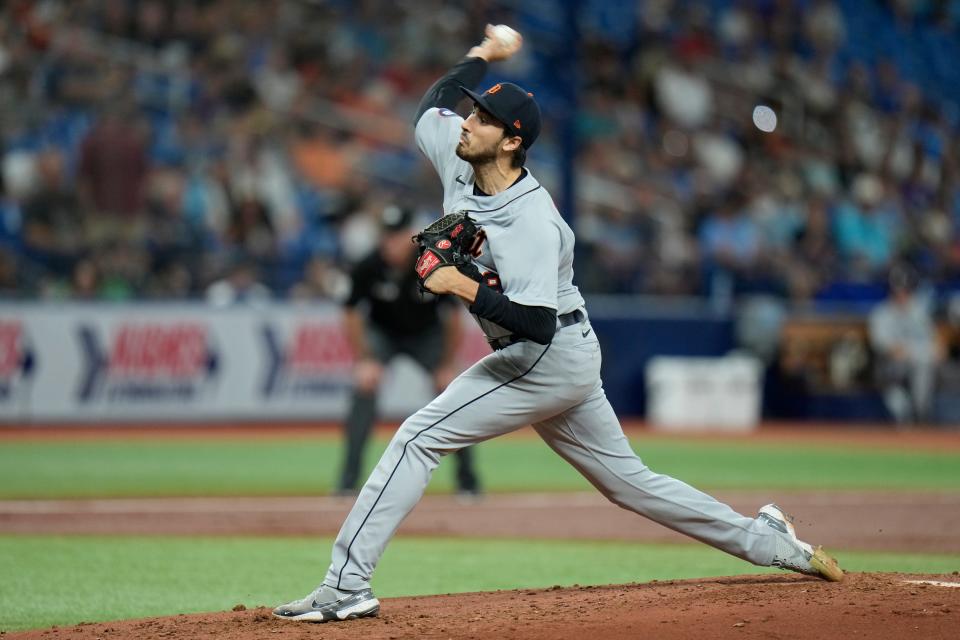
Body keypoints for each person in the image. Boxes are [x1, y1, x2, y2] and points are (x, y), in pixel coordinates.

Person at [273, 25, 843, 623]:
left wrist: (461, 283)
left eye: (483, 118)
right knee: (632, 485)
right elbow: (432, 102)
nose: (467, 122)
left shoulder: (532, 223)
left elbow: (537, 326)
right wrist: (482, 56)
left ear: (513, 140)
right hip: (561, 355)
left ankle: (345, 587)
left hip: (544, 353)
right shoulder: (459, 157)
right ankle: (773, 542)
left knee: (419, 436)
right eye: (473, 112)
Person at [335, 204, 480, 496]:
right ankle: (347, 483)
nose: (392, 243)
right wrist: (364, 359)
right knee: (365, 384)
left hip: (427, 335)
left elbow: (453, 317)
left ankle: (468, 482)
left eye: (398, 235)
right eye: (387, 236)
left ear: (412, 236)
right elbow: (351, 313)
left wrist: (447, 363)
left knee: (453, 388)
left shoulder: (433, 263)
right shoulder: (368, 265)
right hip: (383, 334)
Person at [868, 264, 942, 424]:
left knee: (923, 365)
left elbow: (936, 343)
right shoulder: (881, 314)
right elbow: (885, 348)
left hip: (918, 363)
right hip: (889, 368)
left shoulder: (919, 311)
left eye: (906, 290)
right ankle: (918, 416)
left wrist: (932, 350)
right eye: (898, 290)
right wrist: (910, 352)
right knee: (917, 366)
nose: (902, 294)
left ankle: (920, 414)